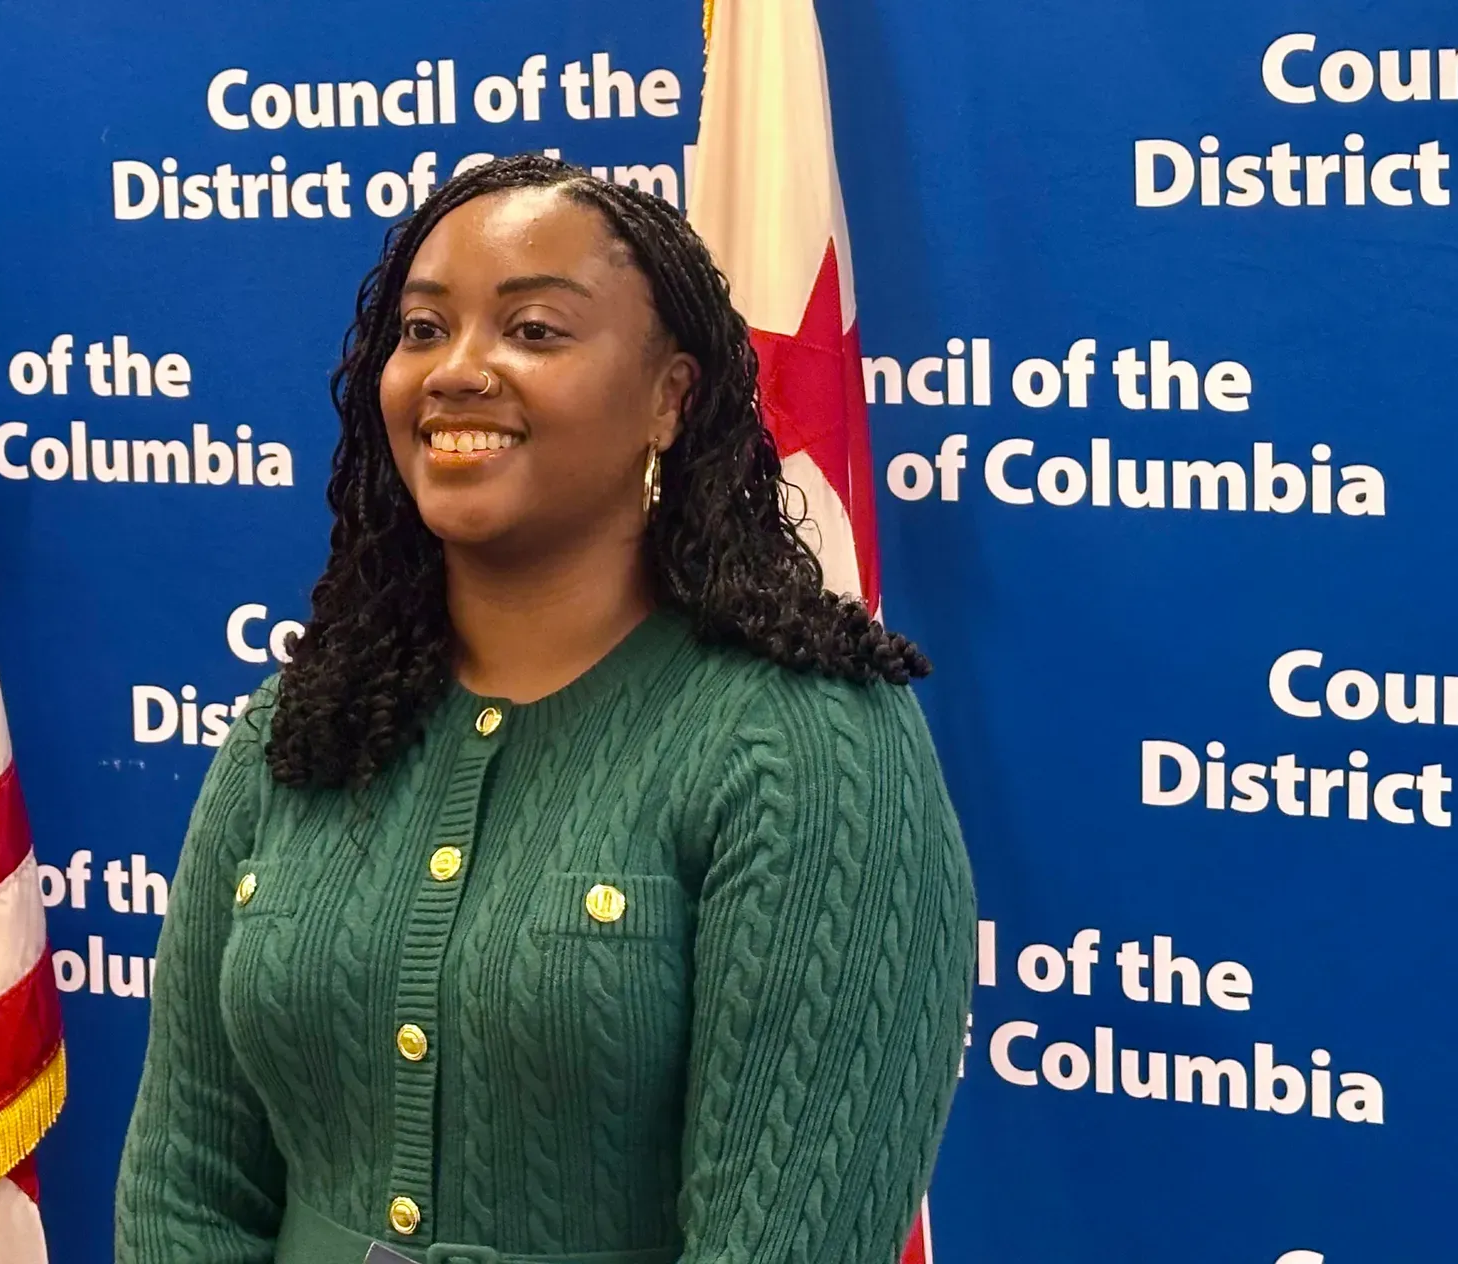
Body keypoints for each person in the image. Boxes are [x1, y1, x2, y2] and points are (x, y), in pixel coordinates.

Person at [114, 154, 975, 1264]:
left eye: (532, 330)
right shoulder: (302, 726)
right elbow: (184, 1187)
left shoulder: (808, 744)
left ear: (670, 397)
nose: (456, 370)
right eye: (421, 330)